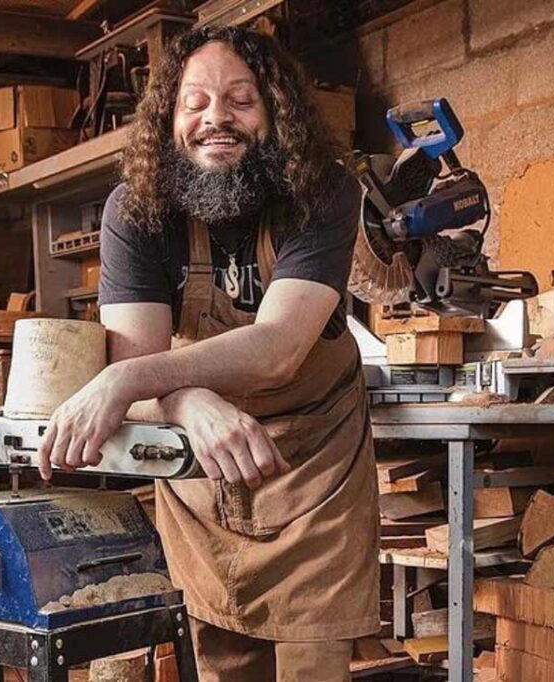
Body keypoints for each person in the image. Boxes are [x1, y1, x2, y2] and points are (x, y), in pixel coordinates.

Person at [38, 25, 378, 681]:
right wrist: (191, 400)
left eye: (239, 98)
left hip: (313, 472)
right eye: (194, 101)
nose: (214, 118)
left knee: (313, 666)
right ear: (169, 115)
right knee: (221, 664)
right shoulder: (136, 209)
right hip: (200, 467)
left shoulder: (325, 192)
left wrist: (129, 377)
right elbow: (144, 356)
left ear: (276, 111)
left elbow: (278, 348)